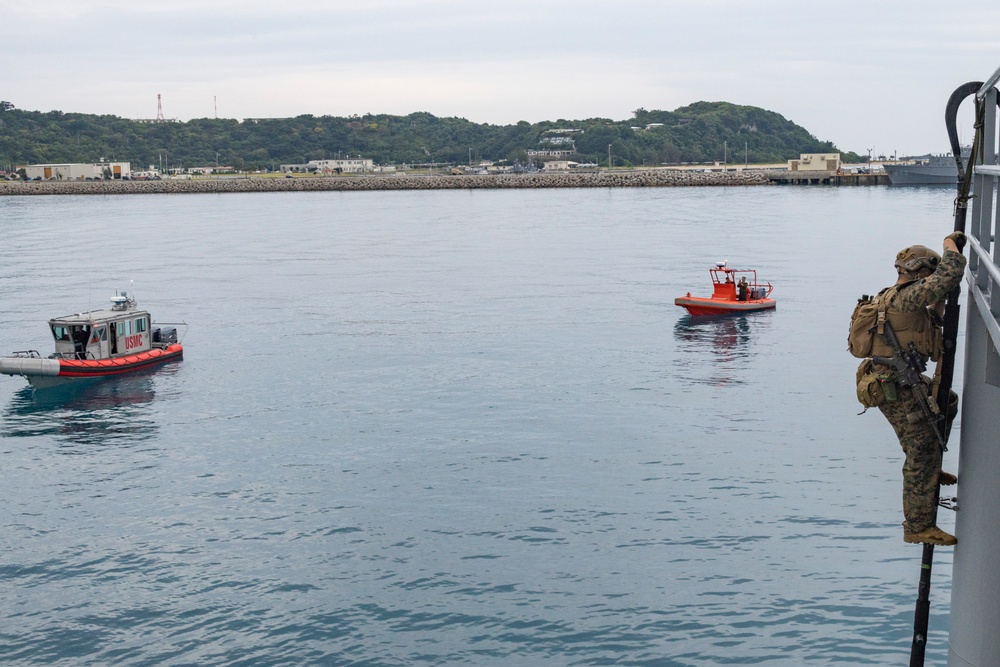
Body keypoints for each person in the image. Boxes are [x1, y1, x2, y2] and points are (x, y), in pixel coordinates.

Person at [863, 231, 966, 546]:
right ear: (922, 272)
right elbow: (950, 274)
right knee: (918, 451)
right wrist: (951, 245)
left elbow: (926, 324)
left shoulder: (897, 295)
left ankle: (932, 466)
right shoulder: (907, 296)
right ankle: (918, 526)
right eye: (929, 274)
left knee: (945, 400)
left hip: (899, 377)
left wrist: (937, 304)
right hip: (891, 384)